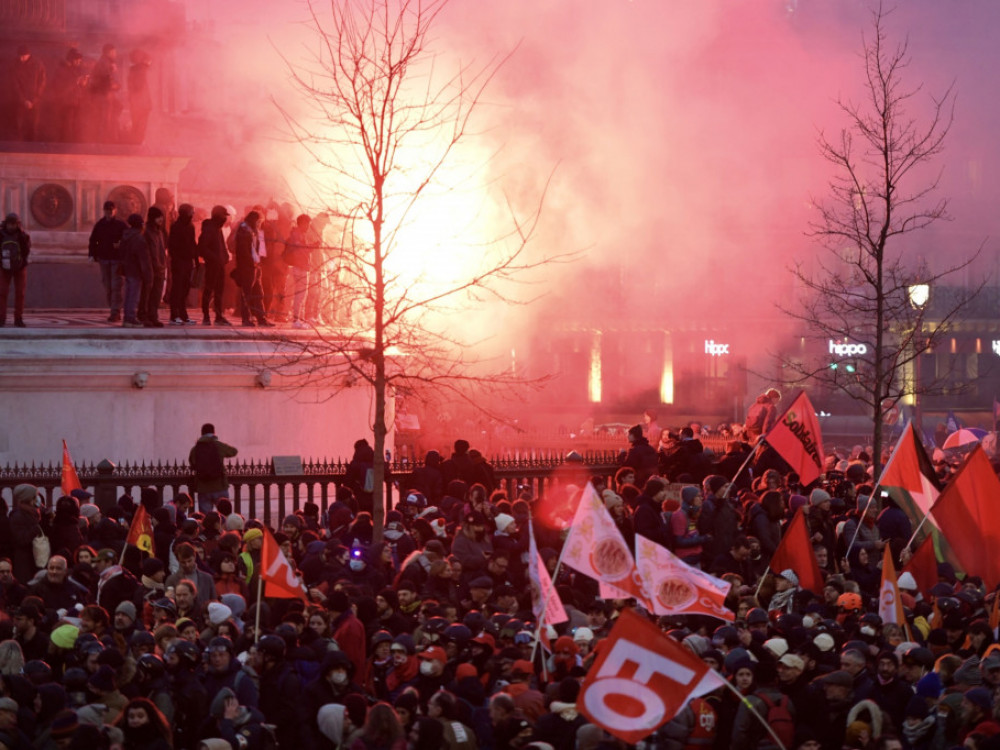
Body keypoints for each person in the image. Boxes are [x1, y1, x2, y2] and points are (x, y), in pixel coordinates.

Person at [232, 210, 273, 327]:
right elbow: (244, 251)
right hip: (247, 267)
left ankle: (261, 318)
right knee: (247, 293)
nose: (260, 224)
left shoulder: (252, 231)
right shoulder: (244, 231)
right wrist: (251, 262)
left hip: (255, 265)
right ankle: (246, 318)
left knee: (258, 293)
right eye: (259, 221)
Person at [88, 201, 127, 322]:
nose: (109, 213)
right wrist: (93, 253)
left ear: (115, 210)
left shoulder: (121, 225)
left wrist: (120, 245)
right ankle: (113, 309)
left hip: (116, 259)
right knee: (108, 286)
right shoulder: (100, 224)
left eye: (111, 210)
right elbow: (94, 240)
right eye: (107, 210)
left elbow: (127, 239)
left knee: (116, 286)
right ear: (104, 211)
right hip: (104, 259)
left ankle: (115, 312)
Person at [189, 423, 239, 514]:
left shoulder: (195, 449)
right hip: (219, 485)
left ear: (201, 433)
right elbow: (234, 451)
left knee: (206, 517)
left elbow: (192, 462)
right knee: (225, 514)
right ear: (213, 432)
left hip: (203, 487)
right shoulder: (218, 445)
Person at [198, 205, 232, 326]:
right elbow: (202, 248)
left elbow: (221, 245)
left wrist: (224, 257)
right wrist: (215, 258)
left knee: (219, 291)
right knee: (209, 290)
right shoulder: (209, 228)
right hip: (213, 265)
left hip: (220, 264)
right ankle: (206, 316)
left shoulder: (218, 228)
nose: (225, 219)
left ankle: (218, 316)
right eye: (224, 216)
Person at [168, 203, 198, 325]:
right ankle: (174, 315)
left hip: (187, 262)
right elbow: (172, 246)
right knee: (177, 289)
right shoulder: (176, 227)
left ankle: (183, 315)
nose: (192, 215)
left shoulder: (190, 226)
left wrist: (195, 259)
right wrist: (177, 258)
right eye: (191, 212)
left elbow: (192, 243)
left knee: (185, 289)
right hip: (179, 261)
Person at [120, 213, 151, 328]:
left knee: (129, 294)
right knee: (133, 295)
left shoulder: (125, 236)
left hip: (127, 268)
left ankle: (127, 317)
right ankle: (130, 318)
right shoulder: (139, 238)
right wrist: (148, 274)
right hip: (136, 270)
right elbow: (144, 258)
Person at [0, 212, 30, 327]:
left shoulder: (23, 235)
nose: (12, 226)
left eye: (14, 224)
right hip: (6, 267)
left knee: (19, 293)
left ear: (17, 224)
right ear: (6, 224)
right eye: (10, 224)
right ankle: (2, 317)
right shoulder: (1, 235)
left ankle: (18, 318)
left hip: (18, 267)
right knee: (2, 293)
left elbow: (26, 250)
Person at [284, 213, 313, 328]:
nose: (309, 227)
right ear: (302, 223)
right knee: (300, 294)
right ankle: (296, 320)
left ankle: (297, 318)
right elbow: (301, 251)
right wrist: (312, 247)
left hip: (298, 267)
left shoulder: (297, 234)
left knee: (299, 294)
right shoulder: (298, 235)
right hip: (299, 267)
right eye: (308, 224)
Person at [12, 45, 45, 141]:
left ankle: (33, 150)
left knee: (33, 127)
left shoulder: (38, 65)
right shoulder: (16, 65)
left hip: (35, 102)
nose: (21, 58)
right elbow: (15, 85)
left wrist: (34, 100)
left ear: (29, 55)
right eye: (20, 56)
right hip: (21, 102)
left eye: (23, 56)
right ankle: (19, 150)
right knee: (19, 127)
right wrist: (24, 100)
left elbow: (42, 83)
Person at [142, 206, 167, 327]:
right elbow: (149, 252)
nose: (161, 219)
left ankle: (153, 316)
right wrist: (156, 265)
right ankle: (144, 316)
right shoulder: (147, 232)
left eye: (161, 216)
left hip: (160, 269)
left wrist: (163, 265)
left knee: (157, 295)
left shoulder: (160, 232)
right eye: (158, 217)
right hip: (151, 269)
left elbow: (161, 250)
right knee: (147, 294)